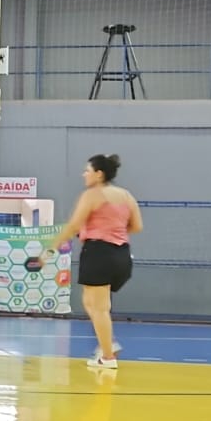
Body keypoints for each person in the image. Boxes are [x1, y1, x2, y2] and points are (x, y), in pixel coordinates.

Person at [42, 154, 143, 369]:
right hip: (122, 255)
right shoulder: (126, 196)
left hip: (99, 253)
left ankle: (108, 357)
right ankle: (108, 343)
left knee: (98, 308)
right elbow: (136, 226)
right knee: (92, 303)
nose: (84, 174)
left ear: (99, 174)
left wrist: (48, 251)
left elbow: (73, 226)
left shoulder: (92, 195)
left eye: (87, 170)